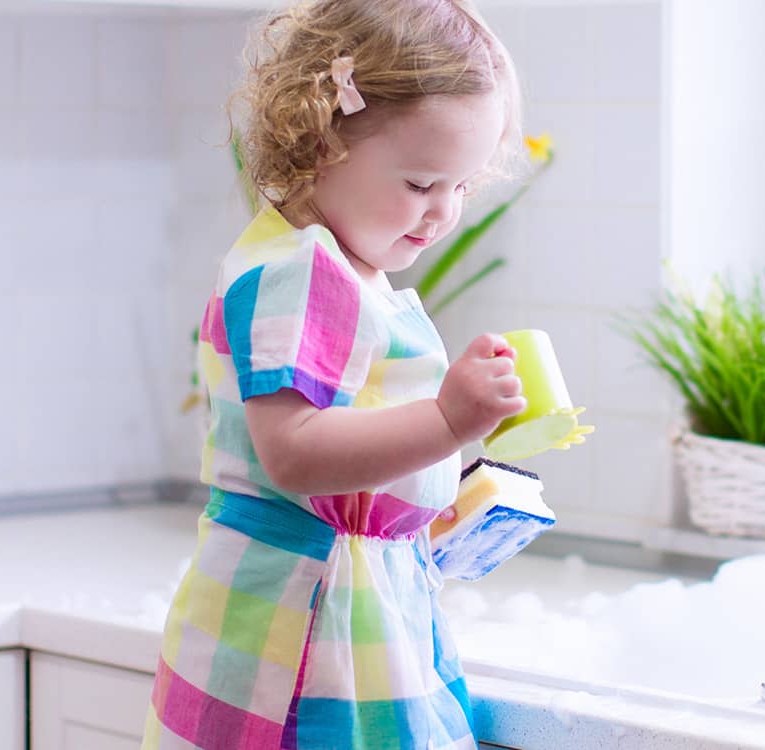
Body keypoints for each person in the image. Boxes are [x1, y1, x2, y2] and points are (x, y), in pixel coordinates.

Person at [146, 1, 526, 746]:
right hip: (304, 626)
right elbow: (294, 451)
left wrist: (441, 483)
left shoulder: (345, 268)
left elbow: (355, 457)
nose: (442, 212)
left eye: (462, 186)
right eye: (421, 184)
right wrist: (446, 422)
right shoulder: (298, 271)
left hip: (347, 604)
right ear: (322, 139)